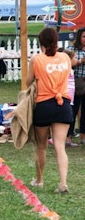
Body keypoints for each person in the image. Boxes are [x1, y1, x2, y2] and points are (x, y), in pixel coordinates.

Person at [26, 27, 72, 194]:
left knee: (41, 146)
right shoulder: (66, 57)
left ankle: (39, 180)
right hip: (63, 104)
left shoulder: (37, 59)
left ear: (41, 43)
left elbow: (28, 81)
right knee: (60, 146)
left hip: (44, 105)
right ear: (56, 41)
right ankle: (63, 183)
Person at [68, 27, 85, 145]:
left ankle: (83, 136)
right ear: (79, 37)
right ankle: (68, 137)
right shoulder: (72, 49)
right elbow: (67, 64)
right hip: (76, 82)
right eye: (84, 36)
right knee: (72, 110)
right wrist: (80, 61)